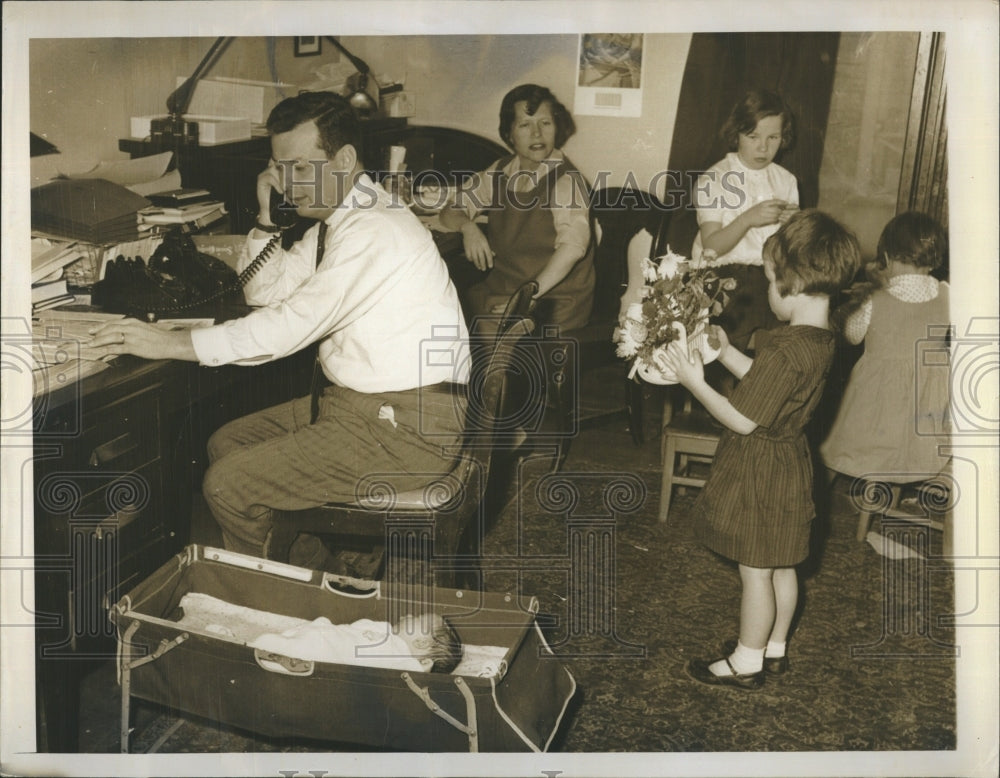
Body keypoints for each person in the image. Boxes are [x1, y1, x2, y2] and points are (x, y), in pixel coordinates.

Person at [89, 91, 470, 569]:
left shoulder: (374, 229)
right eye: (278, 167)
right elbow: (265, 293)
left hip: (411, 429)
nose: (288, 182)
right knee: (225, 443)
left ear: (345, 160)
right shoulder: (338, 222)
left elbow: (288, 327)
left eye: (300, 167)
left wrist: (168, 342)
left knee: (228, 484)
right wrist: (268, 218)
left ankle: (287, 601)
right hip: (365, 408)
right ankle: (324, 576)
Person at [656, 210, 861, 690]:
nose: (769, 291)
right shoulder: (820, 339)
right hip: (790, 464)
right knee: (783, 565)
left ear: (790, 282)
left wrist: (694, 378)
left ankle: (745, 662)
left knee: (755, 572)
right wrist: (726, 352)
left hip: (762, 468)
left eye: (771, 280)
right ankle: (775, 647)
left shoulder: (788, 348)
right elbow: (770, 388)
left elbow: (741, 418)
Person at [439, 83, 595, 332]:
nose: (537, 134)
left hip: (551, 299)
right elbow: (450, 212)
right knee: (444, 309)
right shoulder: (500, 171)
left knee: (474, 330)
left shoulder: (566, 181)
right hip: (505, 290)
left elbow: (573, 248)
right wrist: (468, 227)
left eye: (545, 123)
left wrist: (529, 296)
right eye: (525, 125)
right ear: (509, 134)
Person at [820, 211, 950, 482]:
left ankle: (823, 488)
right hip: (928, 406)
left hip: (880, 404)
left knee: (844, 444)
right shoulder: (948, 294)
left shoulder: (876, 299)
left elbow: (852, 336)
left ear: (887, 259)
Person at [691, 89, 800, 352]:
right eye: (753, 137)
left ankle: (763, 384)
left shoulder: (786, 180)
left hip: (771, 276)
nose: (763, 147)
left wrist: (795, 225)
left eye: (773, 137)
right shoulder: (715, 179)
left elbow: (792, 248)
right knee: (735, 333)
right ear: (736, 134)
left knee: (790, 334)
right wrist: (748, 219)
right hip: (724, 275)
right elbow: (712, 247)